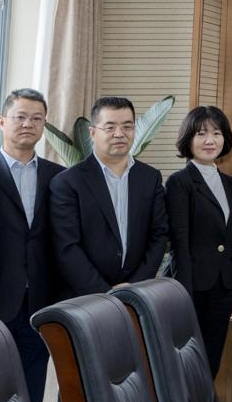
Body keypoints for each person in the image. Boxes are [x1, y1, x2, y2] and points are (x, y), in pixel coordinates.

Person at [0, 87, 63, 402]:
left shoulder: (57, 177)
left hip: (39, 302)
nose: (28, 124)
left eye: (36, 118)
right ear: (2, 121)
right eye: (20, 117)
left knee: (31, 395)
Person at [50, 96, 169, 296]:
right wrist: (106, 294)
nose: (119, 134)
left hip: (136, 294)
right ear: (92, 133)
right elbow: (67, 247)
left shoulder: (150, 177)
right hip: (85, 298)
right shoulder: (68, 182)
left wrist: (133, 288)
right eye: (110, 127)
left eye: (127, 126)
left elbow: (159, 235)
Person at [165, 106, 232, 377]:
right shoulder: (179, 183)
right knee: (186, 366)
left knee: (211, 363)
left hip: (222, 288)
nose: (210, 140)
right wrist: (184, 294)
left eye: (216, 133)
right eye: (201, 134)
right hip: (192, 288)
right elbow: (179, 243)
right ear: (188, 139)